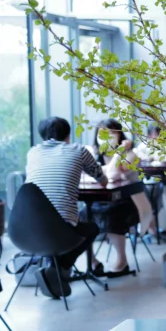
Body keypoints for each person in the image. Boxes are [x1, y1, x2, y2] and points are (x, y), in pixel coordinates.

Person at [24, 117, 107, 283]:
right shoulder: (79, 150)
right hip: (63, 228)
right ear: (68, 135)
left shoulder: (33, 152)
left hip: (27, 227)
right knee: (92, 229)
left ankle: (55, 269)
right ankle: (62, 265)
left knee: (55, 227)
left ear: (42, 136)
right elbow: (103, 181)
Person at [84, 119, 155, 277]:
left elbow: (111, 174)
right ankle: (92, 261)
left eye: (111, 132)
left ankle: (122, 260)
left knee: (113, 213)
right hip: (101, 200)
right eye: (102, 132)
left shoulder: (131, 154)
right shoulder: (95, 156)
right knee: (84, 215)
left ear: (119, 134)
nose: (107, 136)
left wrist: (118, 152)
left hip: (131, 202)